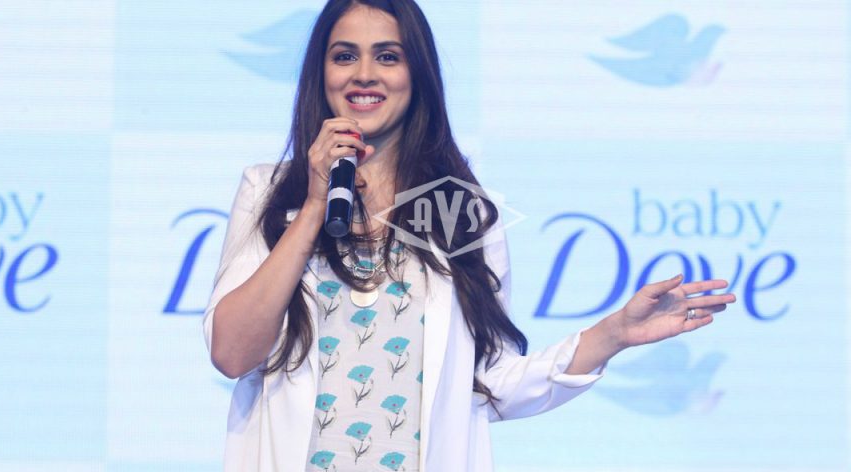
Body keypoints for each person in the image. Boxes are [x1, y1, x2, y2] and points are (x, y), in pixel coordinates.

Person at [203, 1, 736, 470]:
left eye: (387, 56)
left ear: (417, 72)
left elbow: (491, 381)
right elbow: (231, 353)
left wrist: (612, 335)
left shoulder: (456, 208)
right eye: (345, 56)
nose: (364, 74)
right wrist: (315, 204)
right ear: (321, 72)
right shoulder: (270, 191)